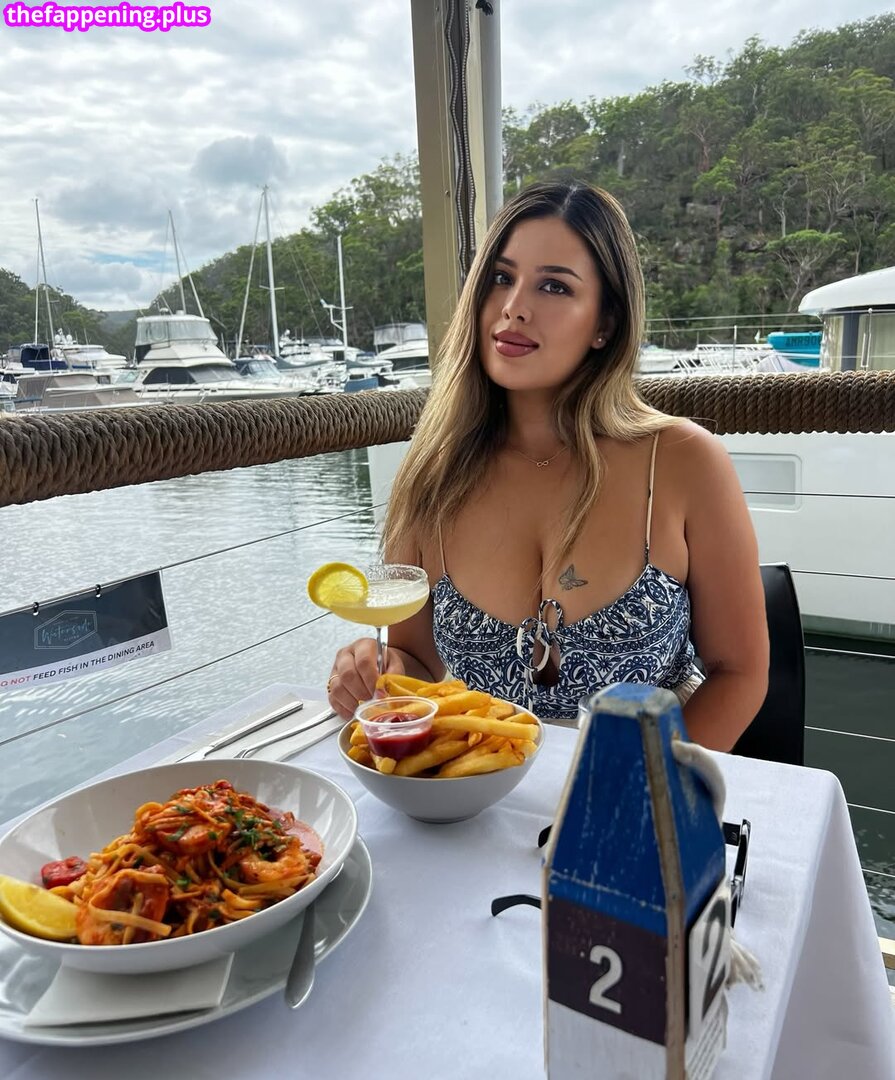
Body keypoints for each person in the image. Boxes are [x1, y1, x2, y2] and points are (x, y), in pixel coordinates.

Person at [327, 181, 768, 751]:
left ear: (605, 323)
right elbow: (414, 663)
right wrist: (371, 666)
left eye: (554, 285)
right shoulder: (433, 475)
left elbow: (739, 672)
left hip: (650, 781)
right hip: (482, 788)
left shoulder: (683, 462)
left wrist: (645, 787)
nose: (514, 306)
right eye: (500, 278)